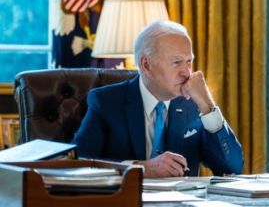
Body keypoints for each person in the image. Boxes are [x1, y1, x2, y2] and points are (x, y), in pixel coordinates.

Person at [73, 20, 244, 178]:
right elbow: (78, 163)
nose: (186, 72)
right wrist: (141, 168)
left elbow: (231, 169)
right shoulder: (106, 102)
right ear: (146, 65)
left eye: (189, 61)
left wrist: (208, 106)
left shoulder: (195, 104)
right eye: (177, 62)